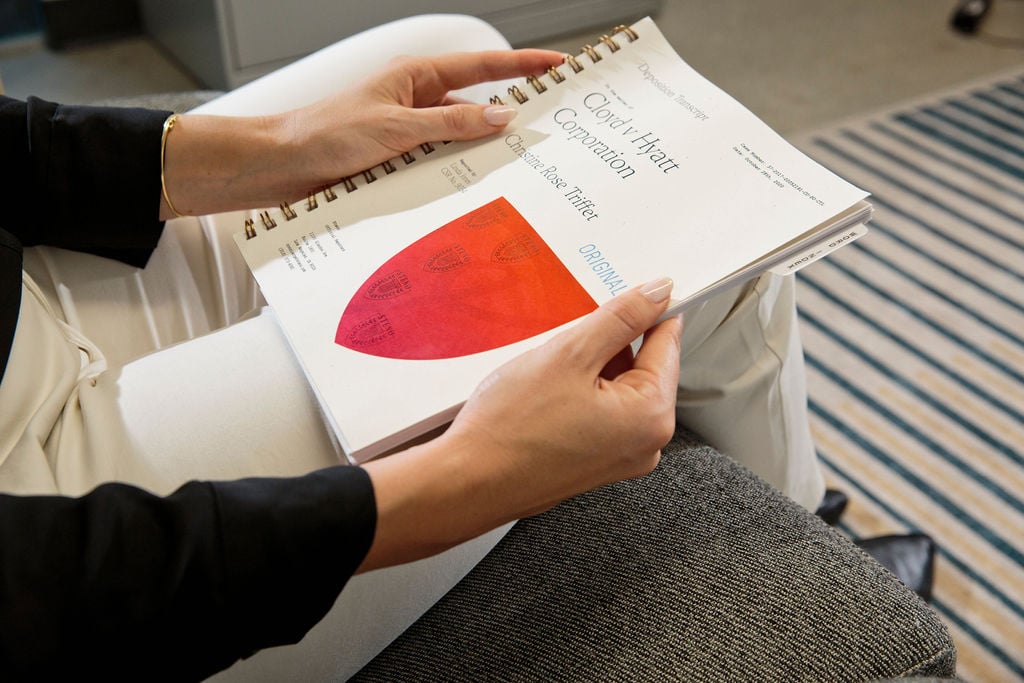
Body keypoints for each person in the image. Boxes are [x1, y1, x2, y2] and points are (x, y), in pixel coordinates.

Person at [0, 13, 823, 681]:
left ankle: (803, 521)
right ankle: (817, 559)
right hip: (52, 520)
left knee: (475, 63)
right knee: (698, 261)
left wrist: (283, 143)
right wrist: (466, 479)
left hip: (34, 269)